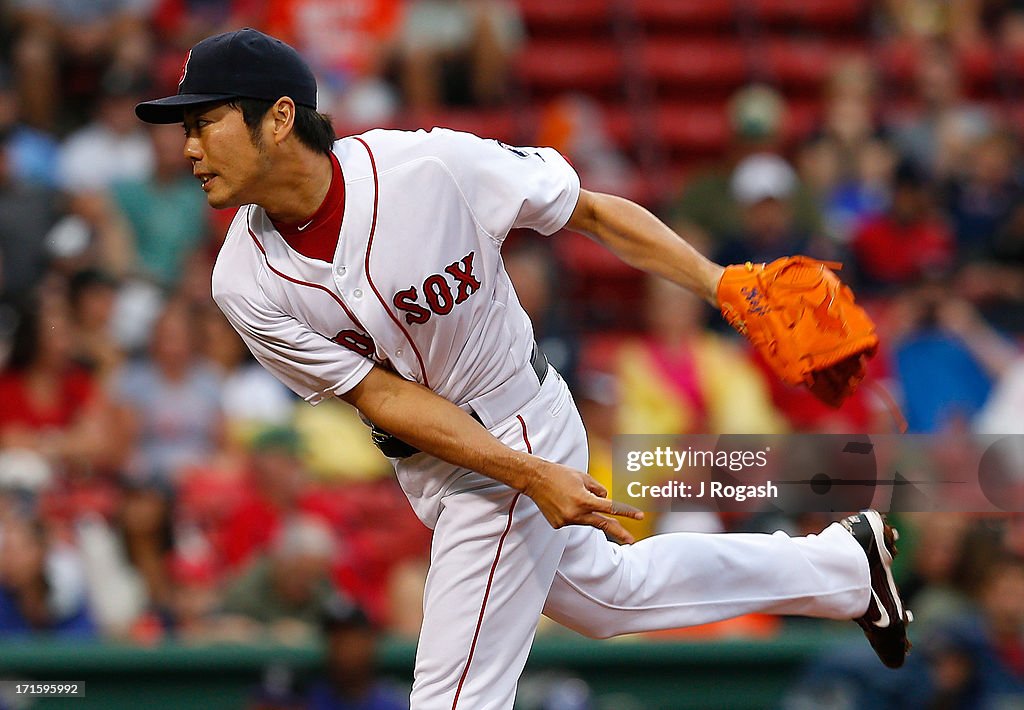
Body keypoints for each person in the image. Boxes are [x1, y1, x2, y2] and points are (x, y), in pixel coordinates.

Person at [135, 29, 911, 708]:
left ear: (277, 117)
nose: (189, 146)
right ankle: (844, 568)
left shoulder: (429, 167)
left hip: (515, 416)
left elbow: (593, 211)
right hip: (452, 460)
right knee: (610, 596)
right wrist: (524, 474)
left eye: (204, 121)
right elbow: (379, 396)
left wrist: (715, 282)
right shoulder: (241, 279)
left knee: (452, 700)